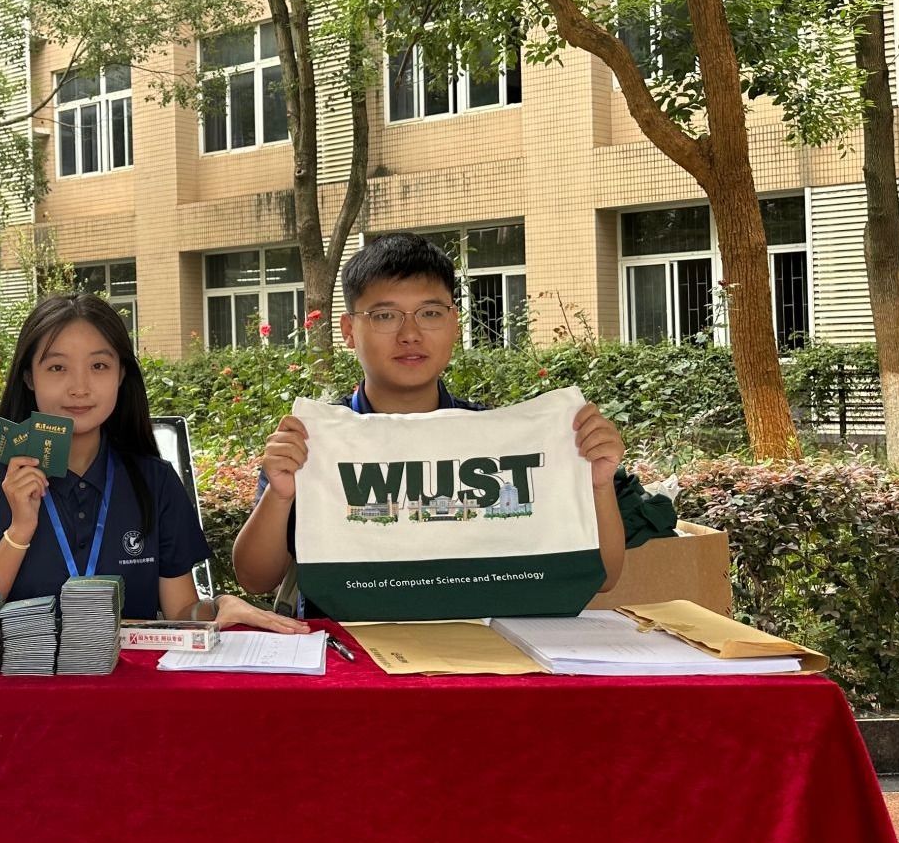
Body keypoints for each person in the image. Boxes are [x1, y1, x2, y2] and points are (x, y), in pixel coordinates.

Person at [232, 234, 628, 615]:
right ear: (349, 330)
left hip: (482, 650)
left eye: (430, 313)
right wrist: (280, 495)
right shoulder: (313, 443)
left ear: (454, 323)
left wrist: (598, 484)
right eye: (385, 316)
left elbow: (603, 576)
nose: (410, 334)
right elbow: (255, 579)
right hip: (350, 655)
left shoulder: (503, 443)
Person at [0, 294, 307, 631]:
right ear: (29, 377)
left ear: (121, 374)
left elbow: (181, 613)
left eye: (99, 366)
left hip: (130, 677)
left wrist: (218, 608)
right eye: (57, 367)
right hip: (22, 676)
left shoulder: (155, 480)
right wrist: (19, 531)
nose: (79, 387)